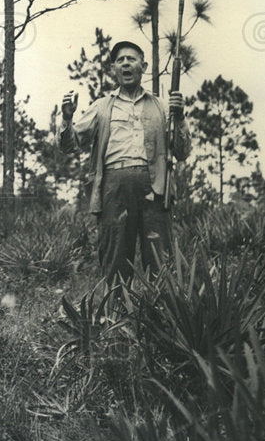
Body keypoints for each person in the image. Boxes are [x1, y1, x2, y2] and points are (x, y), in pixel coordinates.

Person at [57, 40, 190, 284]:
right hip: (114, 190)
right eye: (120, 60)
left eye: (132, 59)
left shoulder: (162, 106)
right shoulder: (101, 107)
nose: (126, 63)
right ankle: (115, 316)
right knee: (115, 258)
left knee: (159, 260)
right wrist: (66, 118)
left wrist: (179, 118)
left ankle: (159, 317)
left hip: (155, 190)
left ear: (144, 66)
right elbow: (69, 145)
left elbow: (182, 152)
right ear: (113, 69)